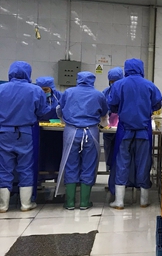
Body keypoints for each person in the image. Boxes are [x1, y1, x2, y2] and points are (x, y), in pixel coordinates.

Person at [107, 59, 162, 209]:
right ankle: (144, 200)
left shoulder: (119, 85)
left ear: (126, 69)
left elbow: (112, 104)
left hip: (124, 130)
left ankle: (119, 201)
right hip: (144, 130)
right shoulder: (149, 85)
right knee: (144, 162)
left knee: (122, 162)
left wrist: (123, 109)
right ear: (141, 68)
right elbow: (157, 104)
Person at [0, 61, 50, 212]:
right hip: (25, 132)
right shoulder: (35, 90)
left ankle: (3, 205)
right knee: (26, 167)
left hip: (4, 133)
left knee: (4, 168)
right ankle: (26, 204)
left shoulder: (1, 89)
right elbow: (42, 111)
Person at [55, 72, 109, 210]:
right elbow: (104, 113)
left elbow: (59, 109)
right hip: (91, 132)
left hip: (71, 131)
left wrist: (64, 120)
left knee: (70, 164)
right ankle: (84, 202)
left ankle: (70, 202)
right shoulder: (98, 95)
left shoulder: (68, 92)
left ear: (78, 79)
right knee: (89, 165)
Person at [102, 67, 124, 172]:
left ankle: (120, 174)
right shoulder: (106, 92)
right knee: (109, 149)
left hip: (122, 126)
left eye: (116, 81)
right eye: (111, 81)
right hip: (108, 127)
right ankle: (110, 171)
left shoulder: (125, 91)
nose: (113, 84)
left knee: (122, 152)